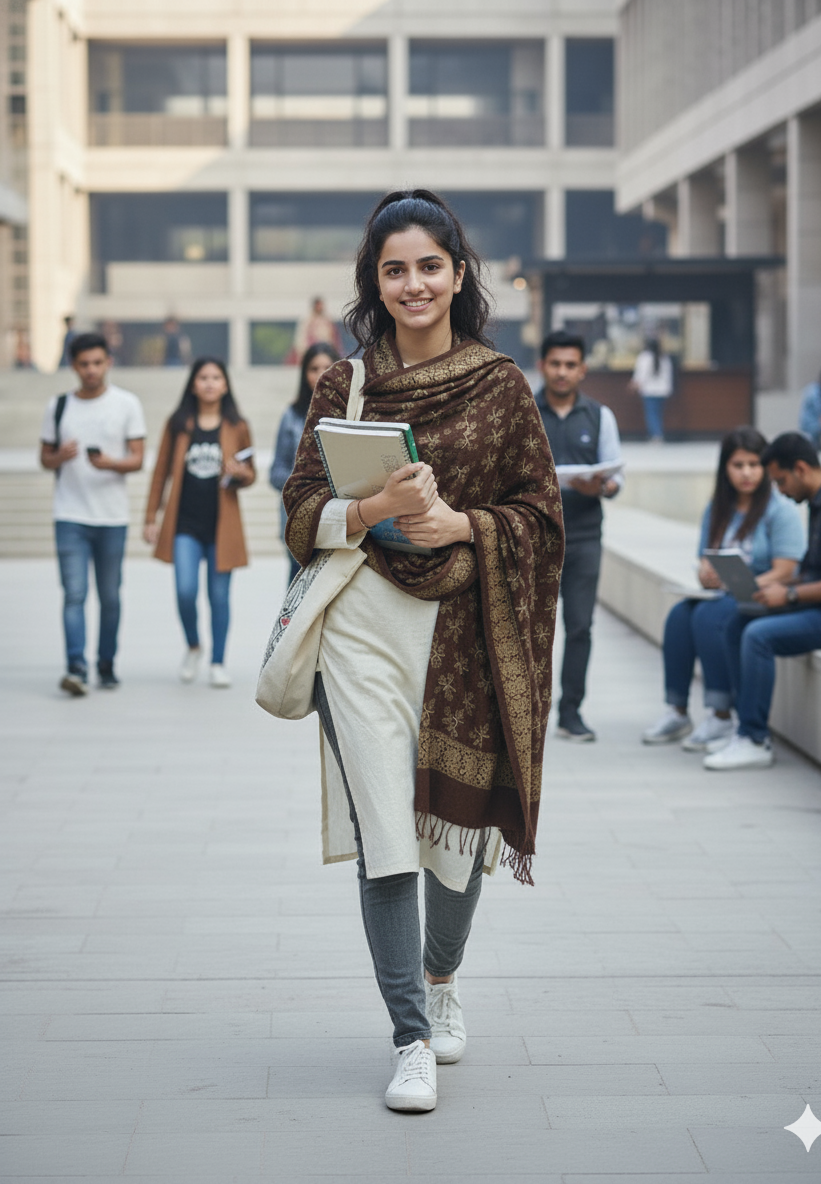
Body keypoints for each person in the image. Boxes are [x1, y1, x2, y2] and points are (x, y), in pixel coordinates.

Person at [282, 190, 563, 1113]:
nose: (412, 284)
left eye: (428, 266)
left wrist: (462, 524)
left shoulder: (500, 384)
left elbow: (542, 514)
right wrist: (371, 512)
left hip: (464, 639)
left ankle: (442, 983)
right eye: (393, 269)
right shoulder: (345, 385)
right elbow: (297, 515)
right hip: (360, 633)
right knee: (388, 837)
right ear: (375, 281)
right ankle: (408, 1036)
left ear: (457, 274)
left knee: (457, 841)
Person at [705, 432, 821, 771]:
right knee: (737, 621)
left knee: (758, 635)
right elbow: (817, 569)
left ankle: (755, 738)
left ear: (801, 469)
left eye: (780, 480)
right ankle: (742, 727)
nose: (779, 490)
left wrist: (790, 594)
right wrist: (775, 587)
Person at [642, 427, 805, 751]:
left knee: (707, 615)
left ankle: (721, 715)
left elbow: (788, 571)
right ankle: (677, 709)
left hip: (760, 595)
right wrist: (707, 574)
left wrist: (742, 583)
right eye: (738, 465)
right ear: (725, 469)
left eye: (754, 465)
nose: (747, 473)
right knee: (679, 616)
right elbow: (706, 559)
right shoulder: (718, 508)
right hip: (723, 595)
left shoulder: (779, 510)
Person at [39, 332, 146, 695]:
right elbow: (44, 457)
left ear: (108, 363)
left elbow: (138, 458)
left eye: (97, 363)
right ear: (74, 366)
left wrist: (108, 463)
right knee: (74, 593)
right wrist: (59, 458)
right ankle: (75, 666)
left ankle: (105, 663)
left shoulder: (126, 404)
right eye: (84, 364)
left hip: (111, 517)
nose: (91, 370)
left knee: (110, 596)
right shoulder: (58, 406)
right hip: (69, 514)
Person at [144, 358, 255, 688]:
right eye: (203, 377)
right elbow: (160, 471)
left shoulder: (237, 425)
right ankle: (193, 645)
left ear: (225, 384)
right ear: (193, 384)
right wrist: (151, 516)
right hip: (185, 525)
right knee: (185, 590)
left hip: (222, 527)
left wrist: (240, 474)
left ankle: (218, 661)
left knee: (219, 598)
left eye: (215, 377)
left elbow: (250, 474)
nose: (209, 383)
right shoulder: (178, 424)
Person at [535, 329, 623, 742]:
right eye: (555, 363)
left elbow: (615, 475)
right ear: (542, 366)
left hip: (585, 536)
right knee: (531, 628)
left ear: (583, 369)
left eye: (571, 364)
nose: (562, 372)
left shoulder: (600, 416)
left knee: (580, 626)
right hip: (534, 537)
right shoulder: (524, 411)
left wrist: (602, 485)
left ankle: (571, 713)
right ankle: (528, 713)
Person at [269, 342, 340, 583]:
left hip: (340, 512)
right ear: (304, 373)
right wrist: (301, 483)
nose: (321, 373)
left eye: (328, 366)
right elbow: (275, 471)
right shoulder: (291, 415)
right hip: (297, 513)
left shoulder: (353, 412)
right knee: (297, 579)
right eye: (313, 368)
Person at [629, 337, 673, 443]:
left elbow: (640, 375)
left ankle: (656, 434)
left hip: (649, 390)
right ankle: (657, 433)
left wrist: (634, 385)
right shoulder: (664, 358)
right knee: (658, 413)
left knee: (651, 414)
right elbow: (669, 376)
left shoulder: (644, 357)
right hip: (662, 390)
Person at [290, 297, 342, 361]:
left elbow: (334, 338)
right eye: (318, 305)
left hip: (326, 352)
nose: (320, 307)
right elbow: (301, 339)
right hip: (312, 352)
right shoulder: (307, 321)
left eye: (321, 305)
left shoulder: (327, 320)